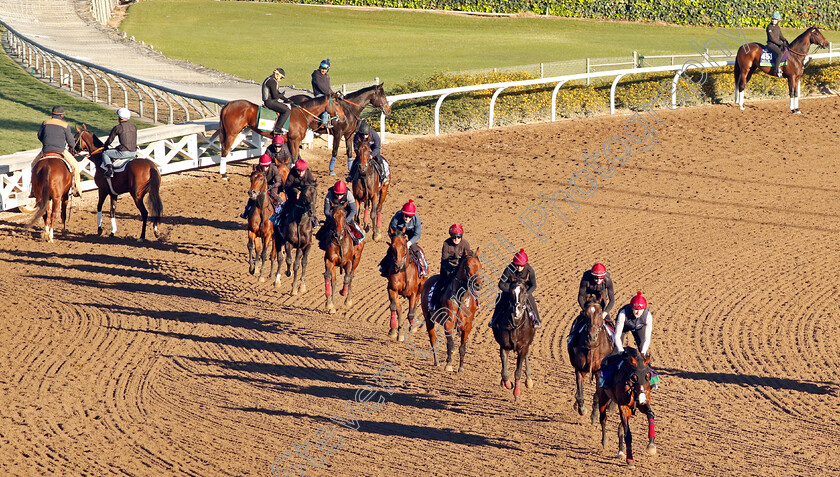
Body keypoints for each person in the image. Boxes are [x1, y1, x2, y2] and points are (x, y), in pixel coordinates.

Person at [32, 105, 81, 197]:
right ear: (62, 115)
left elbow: (39, 136)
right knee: (75, 166)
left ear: (52, 114)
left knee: (33, 165)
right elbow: (70, 141)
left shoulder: (45, 123)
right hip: (61, 151)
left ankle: (33, 190)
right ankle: (76, 188)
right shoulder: (65, 125)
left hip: (46, 151)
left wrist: (46, 143)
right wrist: (74, 147)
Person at [490, 249, 540, 328]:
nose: (519, 268)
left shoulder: (530, 271)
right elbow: (501, 284)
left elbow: (534, 285)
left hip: (524, 291)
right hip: (510, 290)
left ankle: (537, 320)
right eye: (517, 265)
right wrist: (511, 291)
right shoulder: (508, 269)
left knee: (532, 300)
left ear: (525, 264)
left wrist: (526, 294)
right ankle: (494, 319)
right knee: (500, 299)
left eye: (521, 266)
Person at [569, 263, 617, 341]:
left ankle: (614, 339)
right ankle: (572, 337)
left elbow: (612, 300)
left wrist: (605, 313)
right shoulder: (585, 280)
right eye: (596, 278)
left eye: (601, 278)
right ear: (592, 276)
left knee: (608, 319)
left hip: (601, 293)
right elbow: (580, 297)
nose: (598, 280)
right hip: (587, 293)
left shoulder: (608, 281)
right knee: (580, 318)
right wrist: (585, 310)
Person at [380, 199, 427, 277]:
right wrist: (396, 241)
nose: (407, 218)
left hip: (411, 233)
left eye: (410, 217)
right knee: (392, 249)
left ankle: (423, 267)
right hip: (398, 233)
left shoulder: (416, 220)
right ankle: (383, 266)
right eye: (406, 216)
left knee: (415, 249)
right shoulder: (396, 217)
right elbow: (391, 231)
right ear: (402, 214)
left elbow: (417, 235)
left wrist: (409, 242)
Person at [430, 224, 472, 308]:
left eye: (458, 237)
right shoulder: (446, 244)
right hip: (447, 267)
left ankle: (475, 301)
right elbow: (444, 259)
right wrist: (451, 271)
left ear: (461, 236)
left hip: (460, 267)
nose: (456, 239)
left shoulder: (465, 244)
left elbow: (468, 258)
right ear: (450, 236)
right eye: (454, 237)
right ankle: (433, 303)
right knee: (441, 284)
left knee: (470, 282)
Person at [316, 180, 363, 246]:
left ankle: (357, 240)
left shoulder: (349, 195)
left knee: (354, 228)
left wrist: (346, 220)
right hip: (333, 216)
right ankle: (322, 242)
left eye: (341, 194)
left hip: (345, 215)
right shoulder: (329, 194)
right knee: (324, 229)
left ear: (344, 193)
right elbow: (326, 211)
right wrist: (332, 219)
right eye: (337, 194)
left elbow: (353, 210)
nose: (339, 196)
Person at [239, 153, 284, 219]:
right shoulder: (257, 168)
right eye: (263, 166)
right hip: (260, 186)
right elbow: (253, 177)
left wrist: (271, 186)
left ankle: (279, 215)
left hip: (271, 186)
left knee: (276, 198)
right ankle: (246, 212)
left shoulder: (274, 168)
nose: (265, 168)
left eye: (266, 166)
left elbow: (278, 181)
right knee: (252, 199)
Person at [277, 158, 318, 228]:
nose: (301, 174)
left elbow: (312, 186)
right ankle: (281, 220)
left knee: (310, 205)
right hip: (292, 192)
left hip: (305, 192)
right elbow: (287, 186)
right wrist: (296, 192)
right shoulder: (292, 173)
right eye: (299, 171)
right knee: (288, 205)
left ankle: (314, 219)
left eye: (303, 171)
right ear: (296, 170)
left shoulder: (308, 173)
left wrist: (303, 192)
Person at [346, 119, 390, 184]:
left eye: (366, 134)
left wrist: (372, 155)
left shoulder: (374, 135)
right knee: (356, 161)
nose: (364, 136)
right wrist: (360, 155)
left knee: (378, 159)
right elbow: (355, 148)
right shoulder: (357, 136)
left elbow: (377, 147)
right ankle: (351, 175)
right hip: (362, 151)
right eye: (362, 134)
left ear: (369, 133)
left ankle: (383, 176)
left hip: (373, 149)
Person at [613, 291, 653, 357]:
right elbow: (617, 336)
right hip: (624, 327)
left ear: (644, 309)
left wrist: (643, 352)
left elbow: (647, 338)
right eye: (636, 309)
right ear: (632, 308)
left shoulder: (648, 316)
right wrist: (621, 351)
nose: (638, 312)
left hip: (639, 327)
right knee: (616, 350)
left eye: (640, 310)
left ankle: (648, 367)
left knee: (643, 348)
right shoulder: (623, 314)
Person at [101, 108, 138, 178]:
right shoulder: (134, 126)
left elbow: (110, 140)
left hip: (124, 153)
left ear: (119, 117)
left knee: (105, 153)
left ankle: (110, 171)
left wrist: (105, 145)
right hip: (134, 152)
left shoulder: (118, 127)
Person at [262, 67, 292, 135]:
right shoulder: (272, 81)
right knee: (287, 111)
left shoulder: (271, 80)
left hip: (271, 101)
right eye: (281, 77)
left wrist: (286, 99)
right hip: (270, 102)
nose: (280, 80)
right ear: (277, 74)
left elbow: (277, 93)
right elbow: (275, 96)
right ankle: (277, 128)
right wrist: (282, 95)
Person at [311, 59, 337, 128]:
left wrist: (333, 93)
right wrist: (330, 93)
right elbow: (321, 87)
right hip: (319, 95)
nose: (323, 70)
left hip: (326, 95)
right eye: (322, 68)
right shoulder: (316, 75)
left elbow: (328, 87)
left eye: (325, 69)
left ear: (327, 70)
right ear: (320, 67)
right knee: (327, 106)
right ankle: (324, 123)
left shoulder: (327, 77)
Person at [766, 11, 788, 78]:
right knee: (779, 54)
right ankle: (776, 70)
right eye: (772, 19)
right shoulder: (769, 27)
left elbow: (781, 36)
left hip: (777, 44)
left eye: (775, 19)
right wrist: (780, 44)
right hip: (771, 45)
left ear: (778, 20)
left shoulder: (777, 27)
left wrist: (785, 41)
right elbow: (772, 38)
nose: (773, 21)